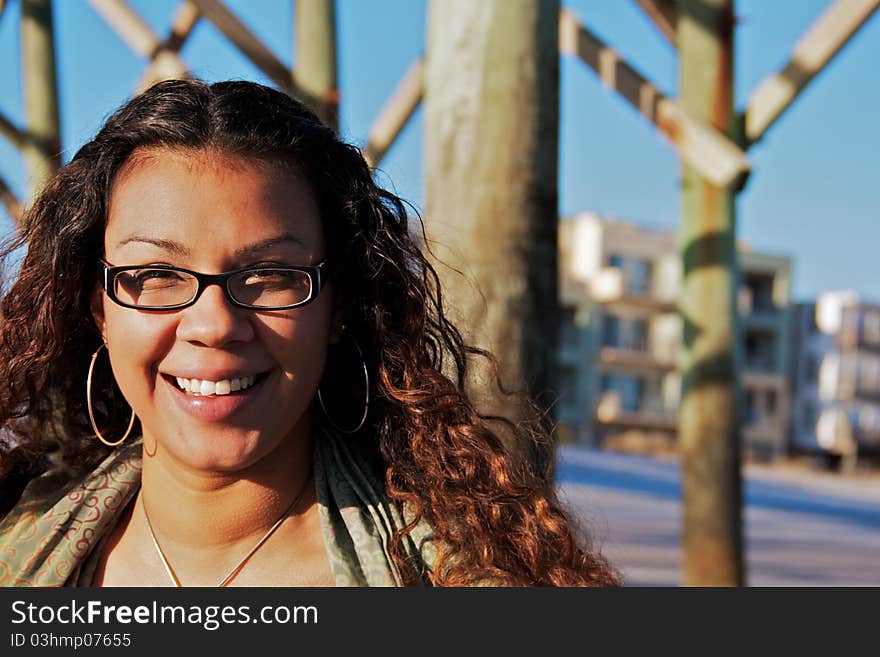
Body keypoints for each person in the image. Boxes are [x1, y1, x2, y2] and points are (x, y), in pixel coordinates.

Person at [0, 79, 620, 587]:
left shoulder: (464, 579)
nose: (214, 324)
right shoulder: (15, 546)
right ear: (99, 310)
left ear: (338, 307)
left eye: (269, 274)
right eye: (156, 273)